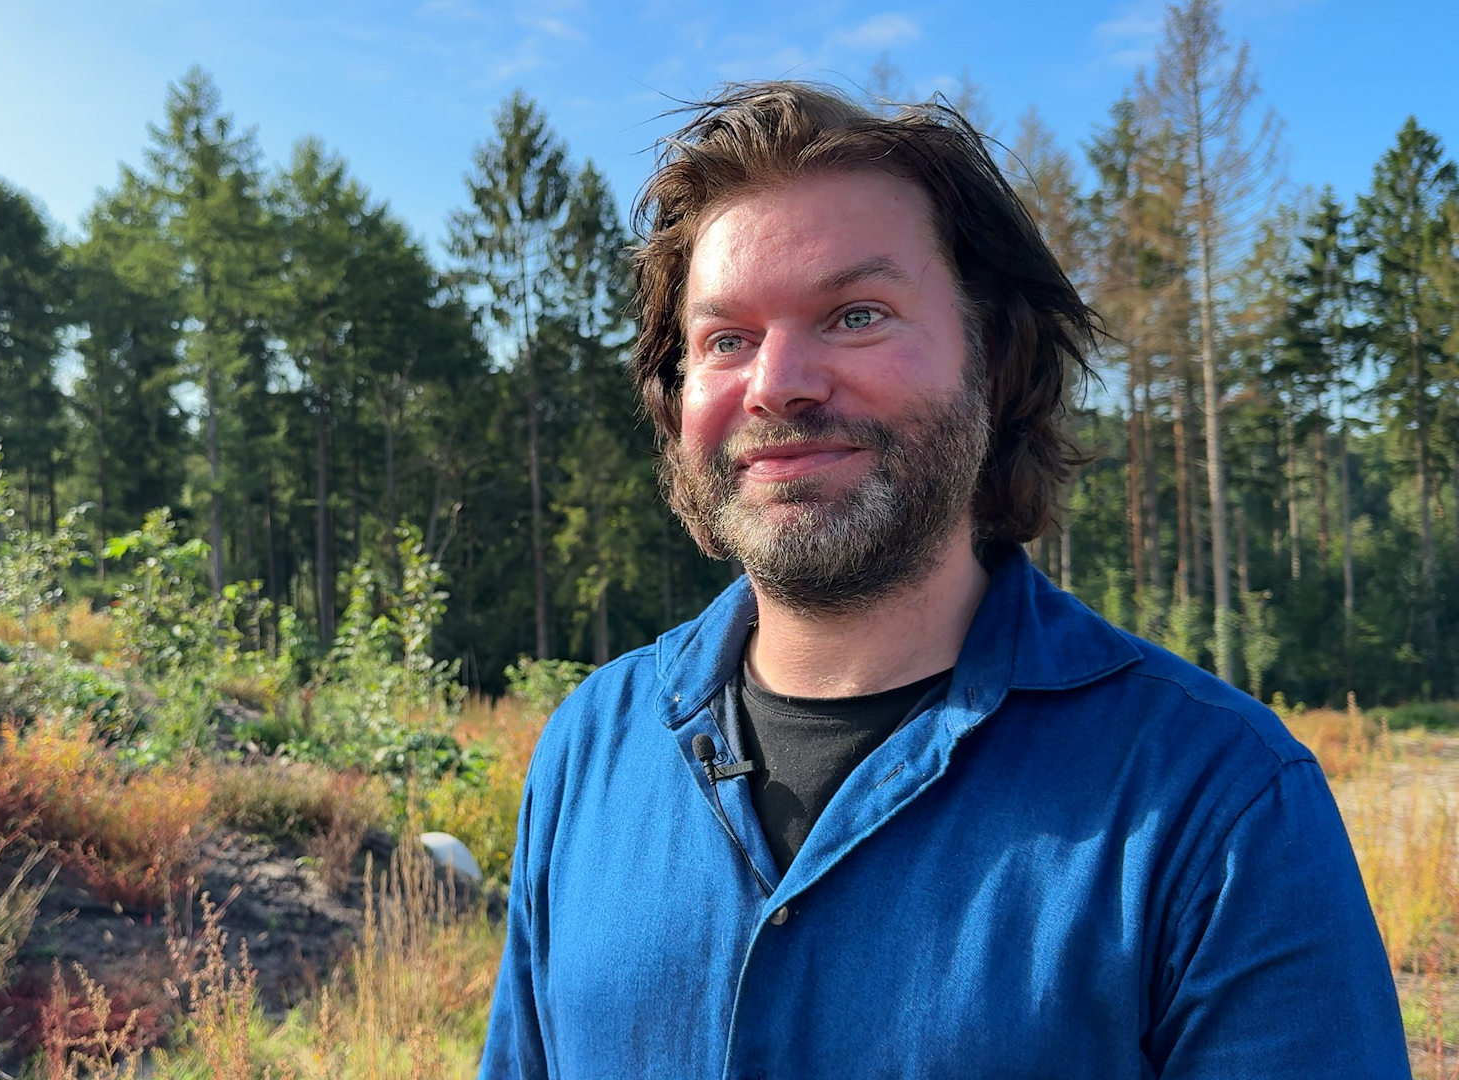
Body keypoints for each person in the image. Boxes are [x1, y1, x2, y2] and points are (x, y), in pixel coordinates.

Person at [478, 82, 1409, 1079]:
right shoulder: (588, 754)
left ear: (995, 359)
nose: (779, 381)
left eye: (856, 315)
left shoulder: (1219, 804)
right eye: (726, 340)